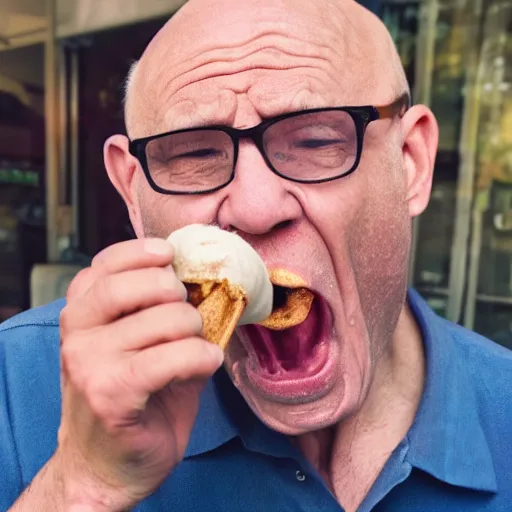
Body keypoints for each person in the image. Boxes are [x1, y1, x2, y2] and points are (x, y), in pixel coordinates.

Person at [1, 0, 511, 510]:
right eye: (194, 154)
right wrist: (81, 484)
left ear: (411, 164)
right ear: (133, 195)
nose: (255, 208)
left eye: (315, 140)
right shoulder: (19, 385)